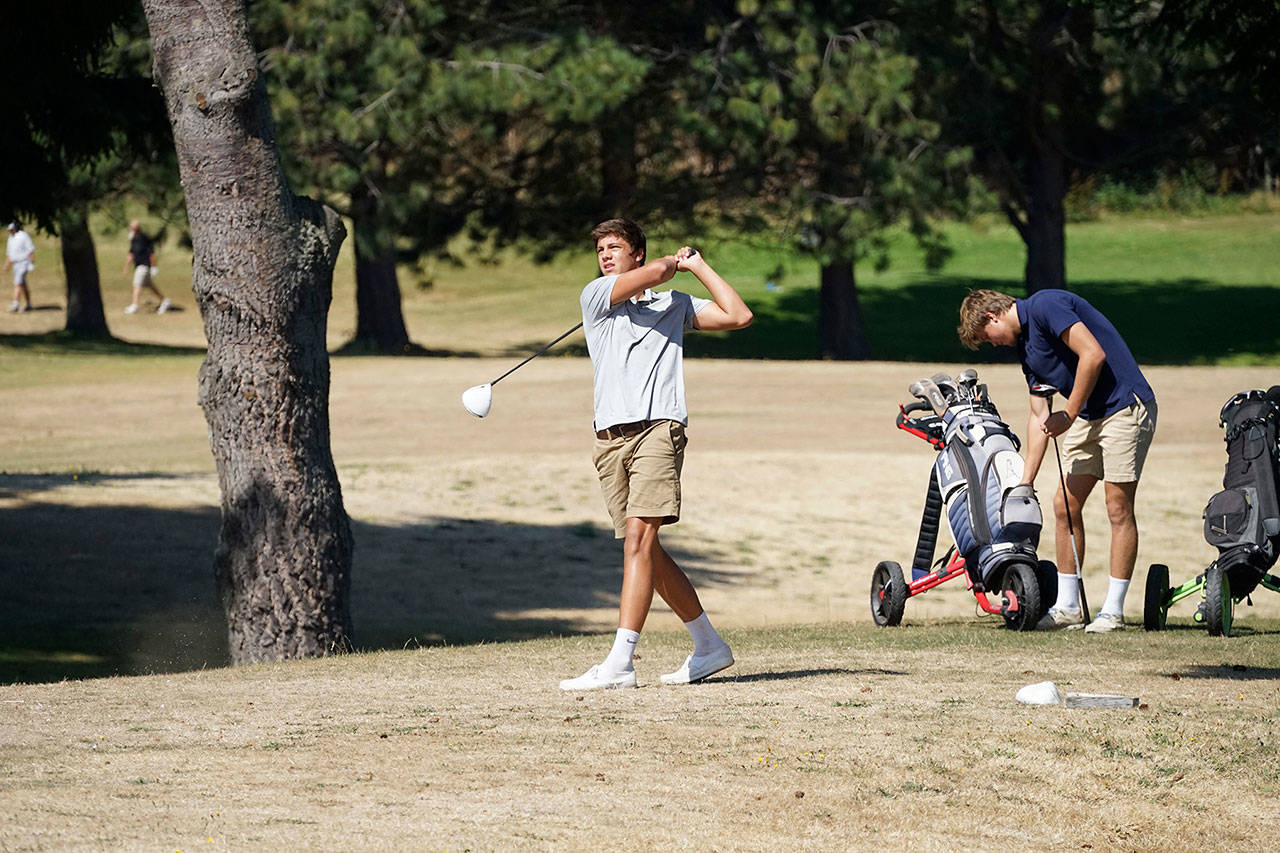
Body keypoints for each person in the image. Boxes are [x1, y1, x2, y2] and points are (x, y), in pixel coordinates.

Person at [559, 218, 753, 690]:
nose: (605, 256)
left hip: (657, 432)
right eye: (600, 249)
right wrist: (673, 264)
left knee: (637, 544)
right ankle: (708, 645)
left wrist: (699, 266)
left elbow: (738, 315)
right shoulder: (595, 296)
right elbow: (660, 273)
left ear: (636, 253)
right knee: (647, 551)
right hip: (608, 441)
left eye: (615, 248)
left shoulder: (674, 305)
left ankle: (620, 663)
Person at [958, 288, 1157, 633]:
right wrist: (1025, 483)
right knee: (1065, 505)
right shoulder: (1027, 351)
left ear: (992, 317)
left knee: (1117, 507)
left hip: (1126, 407)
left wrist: (1069, 413)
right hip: (1088, 415)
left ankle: (1113, 611)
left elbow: (1092, 354)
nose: (994, 345)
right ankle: (1068, 607)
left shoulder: (1046, 305)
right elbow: (1039, 418)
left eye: (987, 338)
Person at [122, 220, 171, 314]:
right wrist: (126, 267)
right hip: (139, 266)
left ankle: (135, 305)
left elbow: (151, 254)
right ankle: (165, 301)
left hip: (144, 265)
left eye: (131, 228)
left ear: (136, 229)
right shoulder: (133, 239)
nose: (130, 229)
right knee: (150, 286)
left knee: (137, 284)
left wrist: (153, 266)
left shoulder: (144, 239)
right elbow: (131, 254)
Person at [5, 221, 35, 312]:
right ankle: (29, 303)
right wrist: (7, 265)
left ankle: (15, 304)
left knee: (18, 283)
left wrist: (31, 262)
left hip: (23, 263)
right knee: (23, 284)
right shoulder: (10, 238)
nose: (10, 231)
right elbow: (10, 253)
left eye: (12, 229)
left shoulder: (24, 236)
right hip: (15, 264)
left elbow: (30, 249)